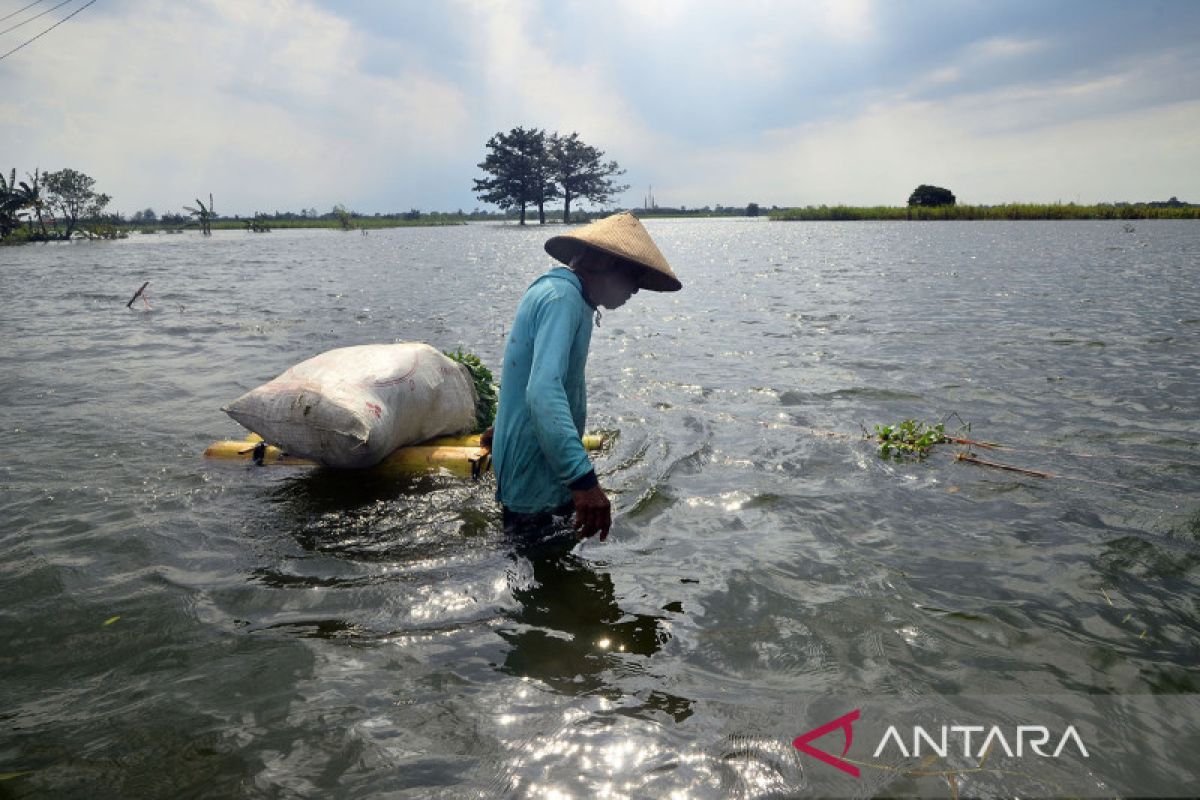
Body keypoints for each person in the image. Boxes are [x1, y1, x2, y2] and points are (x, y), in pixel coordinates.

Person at [490, 212, 682, 541]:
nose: (636, 288)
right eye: (633, 274)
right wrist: (584, 482)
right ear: (601, 264)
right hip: (535, 482)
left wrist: (503, 426)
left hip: (531, 464)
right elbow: (542, 392)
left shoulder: (559, 292)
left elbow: (522, 376)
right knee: (542, 572)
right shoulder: (562, 300)